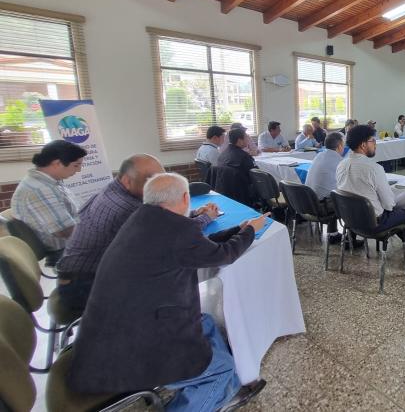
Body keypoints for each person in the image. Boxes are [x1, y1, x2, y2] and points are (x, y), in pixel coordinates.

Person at [68, 173, 268, 410]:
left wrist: (238, 229)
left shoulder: (142, 219)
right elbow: (224, 255)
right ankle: (216, 385)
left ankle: (220, 385)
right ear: (185, 198)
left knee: (205, 321)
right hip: (133, 350)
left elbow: (201, 247)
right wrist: (250, 231)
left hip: (113, 331)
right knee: (222, 370)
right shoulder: (176, 231)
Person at [56, 154, 218, 312]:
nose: (160, 187)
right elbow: (172, 234)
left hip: (79, 276)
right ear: (127, 180)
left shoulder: (114, 189)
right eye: (152, 181)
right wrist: (206, 218)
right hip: (84, 287)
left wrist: (193, 213)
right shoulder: (127, 207)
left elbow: (162, 219)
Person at [11, 140, 86, 263]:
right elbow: (65, 230)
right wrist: (98, 235)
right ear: (57, 163)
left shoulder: (49, 182)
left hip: (70, 243)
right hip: (64, 250)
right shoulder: (39, 189)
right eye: (76, 165)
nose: (78, 170)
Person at [336, 125, 405, 241]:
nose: (375, 144)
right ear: (363, 144)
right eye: (373, 141)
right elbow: (389, 205)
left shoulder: (341, 165)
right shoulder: (374, 169)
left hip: (350, 221)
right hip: (373, 225)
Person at [305, 132, 345, 243]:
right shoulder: (339, 161)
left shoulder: (319, 155)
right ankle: (351, 238)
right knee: (351, 200)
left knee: (331, 192)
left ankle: (333, 233)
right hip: (322, 207)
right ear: (340, 145)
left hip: (307, 202)